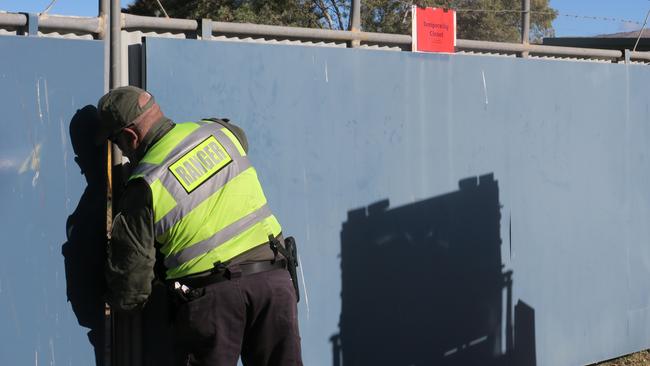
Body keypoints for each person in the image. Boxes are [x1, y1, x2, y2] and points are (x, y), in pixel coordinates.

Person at [96, 86, 302, 366]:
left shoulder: (144, 183)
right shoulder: (220, 132)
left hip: (214, 300)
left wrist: (112, 302)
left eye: (117, 143)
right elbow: (240, 139)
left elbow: (132, 287)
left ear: (130, 136)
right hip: (274, 282)